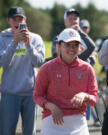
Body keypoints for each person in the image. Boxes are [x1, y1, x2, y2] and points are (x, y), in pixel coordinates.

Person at [33, 28, 98, 135]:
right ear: (59, 46)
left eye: (75, 45)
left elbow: (94, 99)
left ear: (80, 48)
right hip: (52, 118)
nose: (72, 49)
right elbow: (37, 96)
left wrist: (84, 95)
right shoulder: (47, 68)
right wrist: (51, 106)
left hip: (78, 121)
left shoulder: (87, 68)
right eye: (68, 45)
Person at [0, 6, 45, 135]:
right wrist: (14, 42)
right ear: (8, 20)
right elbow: (2, 62)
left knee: (30, 132)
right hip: (9, 93)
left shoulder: (35, 39)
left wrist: (28, 44)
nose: (18, 23)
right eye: (14, 19)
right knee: (6, 131)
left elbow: (39, 62)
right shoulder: (2, 38)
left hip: (30, 94)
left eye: (21, 19)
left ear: (25, 20)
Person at [80, 19, 99, 126]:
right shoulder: (76, 38)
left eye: (85, 28)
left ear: (88, 29)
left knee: (90, 98)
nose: (84, 29)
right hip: (77, 74)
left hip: (88, 74)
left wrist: (93, 56)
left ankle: (93, 119)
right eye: (82, 27)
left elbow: (94, 55)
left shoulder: (90, 40)